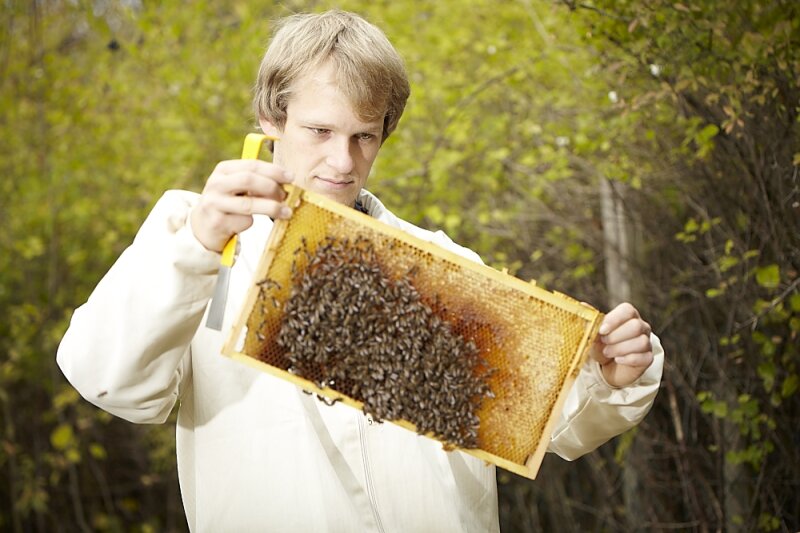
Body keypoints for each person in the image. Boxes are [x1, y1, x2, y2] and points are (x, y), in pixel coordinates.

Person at [57, 10, 664, 532]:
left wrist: (609, 377)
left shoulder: (444, 265)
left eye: (363, 136)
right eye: (320, 131)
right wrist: (196, 247)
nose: (342, 160)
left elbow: (550, 424)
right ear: (273, 118)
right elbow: (111, 380)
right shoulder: (196, 241)